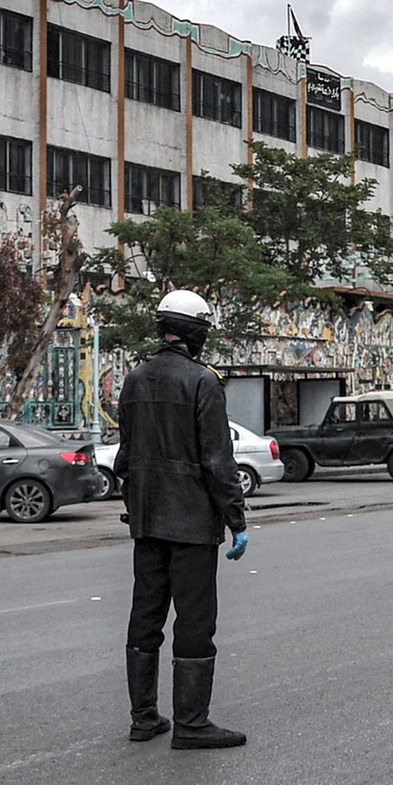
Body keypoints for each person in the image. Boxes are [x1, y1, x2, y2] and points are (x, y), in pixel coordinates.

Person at [115, 289, 250, 750]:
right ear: (197, 332)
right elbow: (218, 461)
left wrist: (137, 506)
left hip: (147, 522)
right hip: (191, 525)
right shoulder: (202, 382)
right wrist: (237, 519)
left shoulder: (135, 379)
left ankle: (144, 718)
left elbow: (127, 457)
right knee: (194, 621)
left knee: (145, 617)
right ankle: (192, 723)